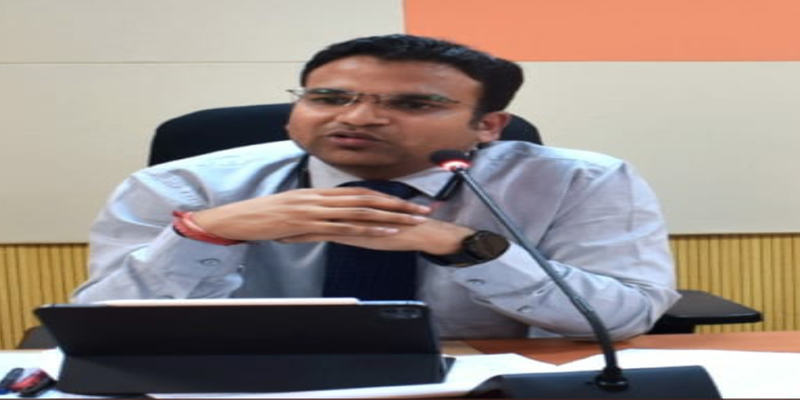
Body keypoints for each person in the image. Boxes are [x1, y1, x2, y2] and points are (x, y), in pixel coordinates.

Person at [73, 34, 679, 340]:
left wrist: (467, 248)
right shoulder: (186, 185)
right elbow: (101, 328)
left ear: (488, 126)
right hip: (247, 385)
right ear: (295, 110)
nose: (358, 118)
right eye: (328, 97)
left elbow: (622, 317)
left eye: (412, 103)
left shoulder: (579, 180)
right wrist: (205, 235)